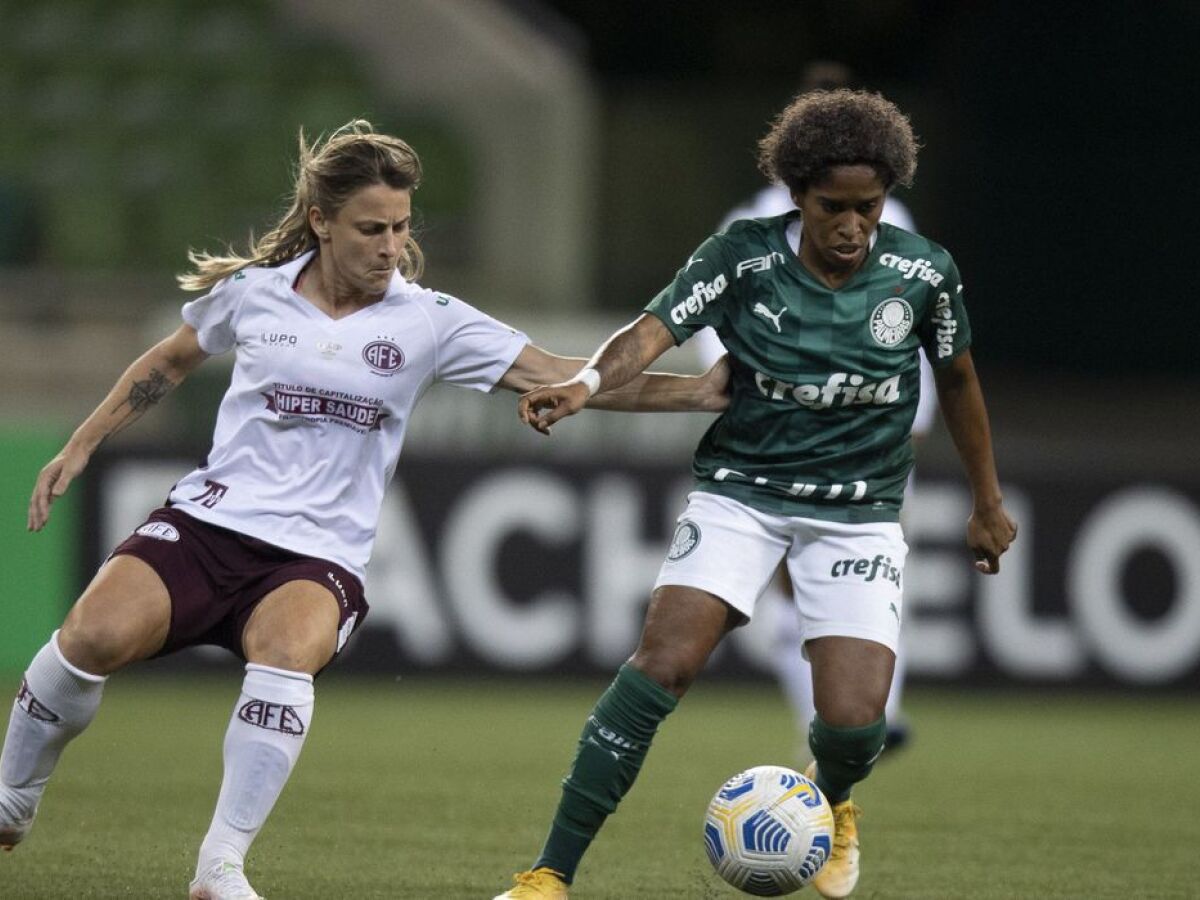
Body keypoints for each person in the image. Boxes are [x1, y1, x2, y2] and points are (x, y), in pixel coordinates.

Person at [0, 120, 730, 900]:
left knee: (286, 655)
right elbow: (171, 359)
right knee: (88, 637)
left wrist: (696, 393)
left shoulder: (430, 319)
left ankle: (219, 867)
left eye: (402, 227)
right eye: (372, 228)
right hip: (210, 522)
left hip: (316, 555)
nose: (391, 246)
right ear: (321, 220)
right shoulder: (253, 295)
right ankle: (13, 801)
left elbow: (563, 373)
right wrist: (82, 443)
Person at [494, 89, 1016, 899]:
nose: (851, 227)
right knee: (659, 667)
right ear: (797, 196)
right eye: (832, 208)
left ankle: (833, 797)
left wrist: (987, 500)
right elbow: (651, 331)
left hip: (859, 513)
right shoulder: (739, 256)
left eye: (868, 209)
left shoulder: (923, 273)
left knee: (855, 726)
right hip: (743, 493)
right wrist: (586, 383)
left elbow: (958, 379)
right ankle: (548, 875)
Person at [692, 81, 935, 756]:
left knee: (868, 571)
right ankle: (840, 721)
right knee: (797, 585)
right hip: (781, 430)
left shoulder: (894, 219)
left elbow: (912, 317)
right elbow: (718, 320)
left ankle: (873, 714)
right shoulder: (752, 229)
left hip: (871, 424)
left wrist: (917, 413)